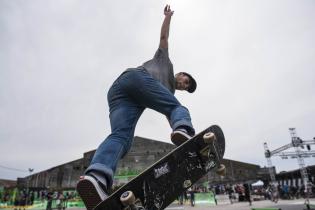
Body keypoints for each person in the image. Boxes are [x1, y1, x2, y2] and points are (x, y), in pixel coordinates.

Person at [77, 5, 197, 210]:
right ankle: (186, 128)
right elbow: (164, 38)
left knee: (121, 137)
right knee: (179, 109)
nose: (183, 85)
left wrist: (179, 141)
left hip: (119, 93)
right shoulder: (165, 62)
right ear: (180, 74)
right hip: (137, 78)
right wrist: (168, 17)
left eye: (186, 87)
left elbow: (169, 117)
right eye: (185, 80)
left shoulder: (169, 93)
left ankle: (96, 176)